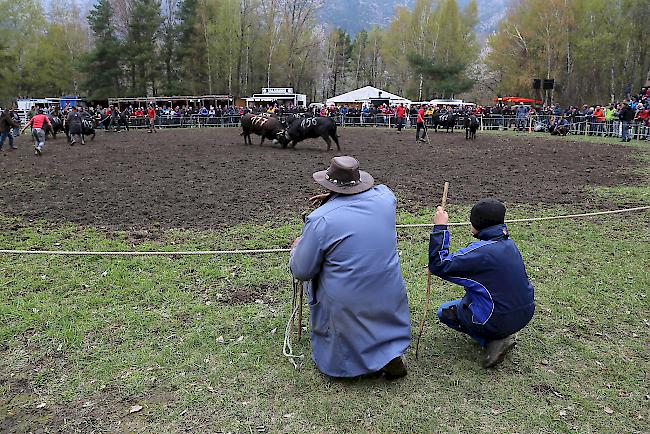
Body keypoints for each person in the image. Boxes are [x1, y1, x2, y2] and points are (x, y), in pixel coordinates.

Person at [289, 156, 411, 379]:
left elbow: (302, 271)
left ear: (328, 184)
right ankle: (388, 354)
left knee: (333, 289)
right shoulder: (386, 199)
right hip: (388, 288)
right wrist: (336, 197)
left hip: (347, 298)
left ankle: (348, 366)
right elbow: (380, 189)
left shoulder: (320, 219)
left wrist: (297, 248)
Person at [428, 198, 535, 368]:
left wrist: (440, 227)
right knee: (476, 295)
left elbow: (439, 265)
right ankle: (499, 335)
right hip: (525, 313)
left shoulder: (482, 253)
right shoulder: (510, 244)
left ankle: (492, 341)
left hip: (498, 317)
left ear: (477, 224)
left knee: (445, 312)